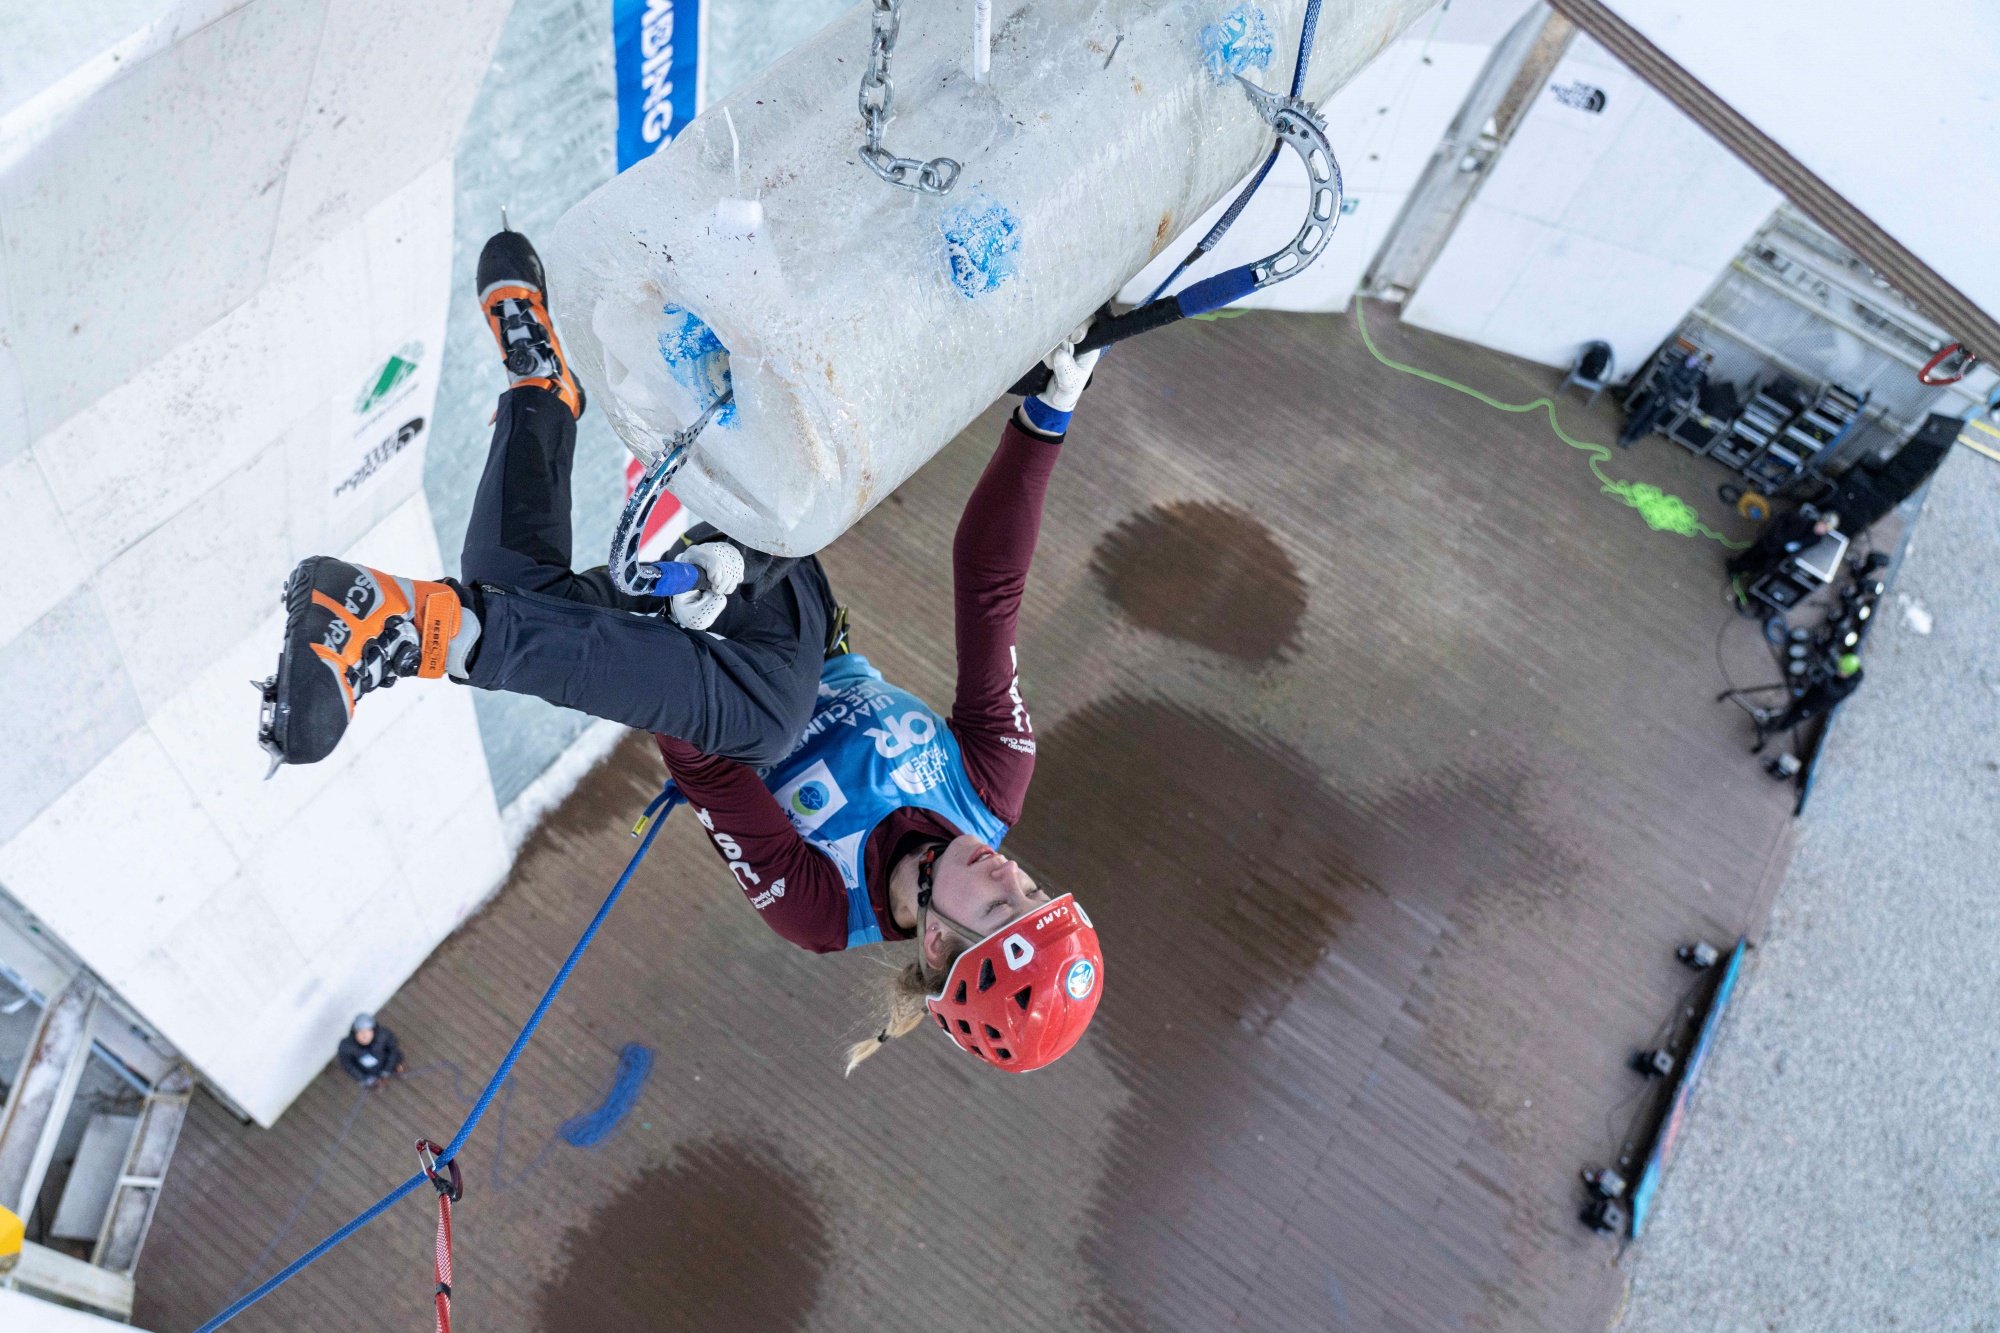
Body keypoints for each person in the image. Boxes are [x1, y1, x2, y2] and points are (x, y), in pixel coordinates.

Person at [256, 229, 1104, 1075]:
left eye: (1002, 908)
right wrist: (1045, 421)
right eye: (1033, 888)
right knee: (768, 719)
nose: (1009, 874)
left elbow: (701, 762)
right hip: (780, 601)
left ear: (940, 949)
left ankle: (543, 394)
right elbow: (989, 588)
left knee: (514, 586)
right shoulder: (992, 783)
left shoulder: (821, 907)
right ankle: (408, 632)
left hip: (697, 663)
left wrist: (687, 624)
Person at [1753, 653, 1863, 753]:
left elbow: (1831, 691)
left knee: (1794, 716)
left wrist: (1827, 677)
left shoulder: (1847, 687)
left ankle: (1776, 727)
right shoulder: (1849, 673)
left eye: (1840, 670)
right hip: (1814, 694)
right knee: (1796, 705)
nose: (1838, 671)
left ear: (1848, 673)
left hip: (1815, 704)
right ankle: (1777, 718)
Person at [1727, 505, 1839, 600]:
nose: (1822, 530)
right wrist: (1775, 535)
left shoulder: (1816, 539)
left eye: (1826, 529)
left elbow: (1803, 547)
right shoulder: (1803, 521)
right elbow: (1783, 518)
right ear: (1820, 520)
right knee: (1753, 554)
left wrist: (1791, 554)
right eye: (1823, 526)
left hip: (1780, 552)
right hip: (1772, 541)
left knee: (1761, 565)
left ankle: (1743, 573)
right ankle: (1735, 567)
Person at [337, 1013, 405, 1088]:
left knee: (397, 1064)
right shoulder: (346, 1046)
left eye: (367, 1031)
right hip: (369, 1072)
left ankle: (397, 1068)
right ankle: (378, 1084)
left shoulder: (383, 1035)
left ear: (373, 1030)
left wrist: (387, 1069)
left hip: (387, 1062)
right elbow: (348, 1065)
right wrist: (364, 1078)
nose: (364, 1036)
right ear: (355, 1033)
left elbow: (393, 1050)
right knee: (374, 1085)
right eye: (360, 1032)